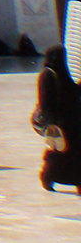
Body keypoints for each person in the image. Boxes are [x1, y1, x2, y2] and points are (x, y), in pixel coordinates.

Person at [32, 45, 81, 194]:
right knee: (61, 152)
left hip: (71, 121)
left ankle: (77, 181)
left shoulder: (60, 74)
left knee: (74, 152)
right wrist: (53, 123)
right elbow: (46, 102)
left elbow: (70, 91)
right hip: (60, 122)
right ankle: (48, 176)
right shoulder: (47, 75)